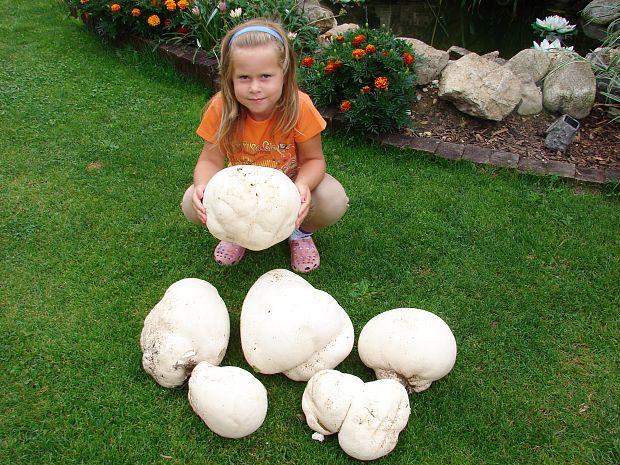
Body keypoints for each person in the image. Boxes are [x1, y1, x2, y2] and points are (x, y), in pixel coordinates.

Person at [181, 18, 349, 273]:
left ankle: (299, 233)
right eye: (244, 77)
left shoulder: (299, 106)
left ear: (284, 73)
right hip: (241, 190)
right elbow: (210, 160)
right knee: (191, 201)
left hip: (289, 185)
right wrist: (203, 186)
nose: (255, 88)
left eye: (266, 76)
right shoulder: (221, 107)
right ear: (229, 78)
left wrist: (301, 187)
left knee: (332, 199)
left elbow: (314, 161)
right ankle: (236, 234)